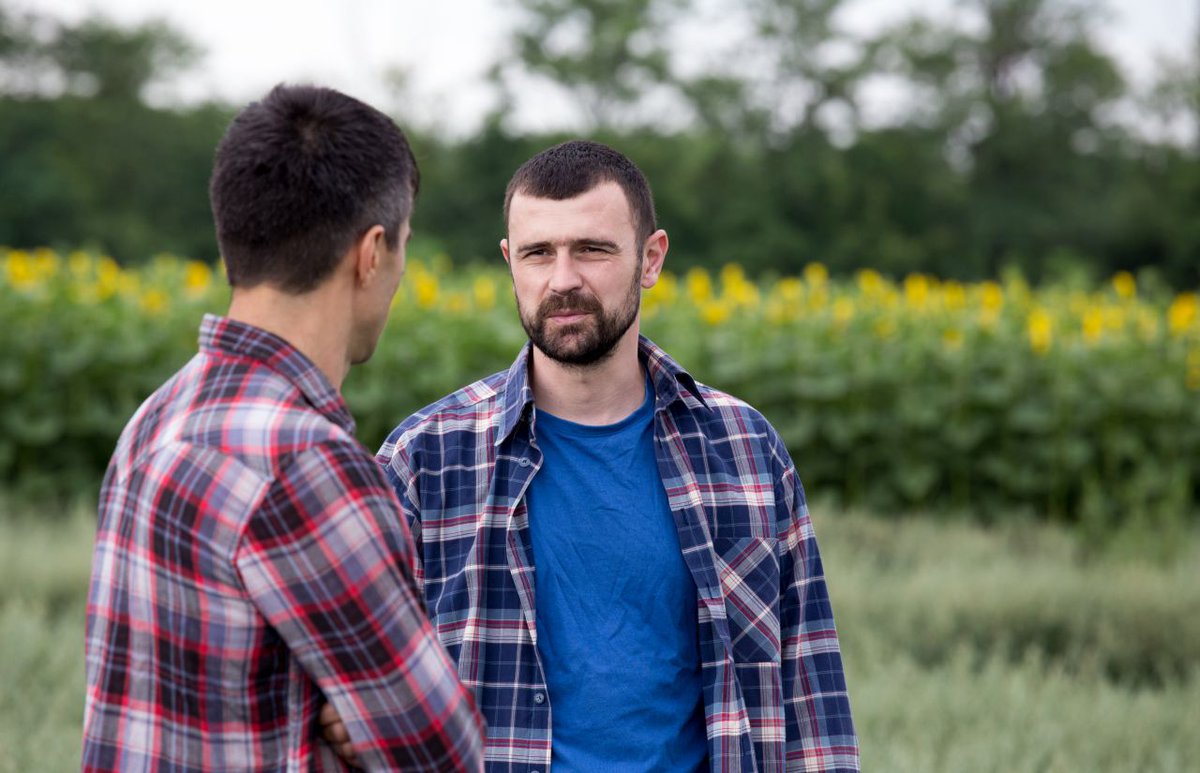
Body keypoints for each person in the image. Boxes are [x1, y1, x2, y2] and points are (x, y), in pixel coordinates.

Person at [355, 139, 859, 771]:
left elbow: (811, 702)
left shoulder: (746, 452)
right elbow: (360, 707)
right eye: (539, 253)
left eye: (592, 249)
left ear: (650, 259)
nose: (563, 279)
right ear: (511, 263)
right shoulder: (425, 462)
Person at [82, 84, 484, 772]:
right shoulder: (305, 462)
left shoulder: (157, 416)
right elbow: (441, 752)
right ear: (371, 253)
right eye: (403, 248)